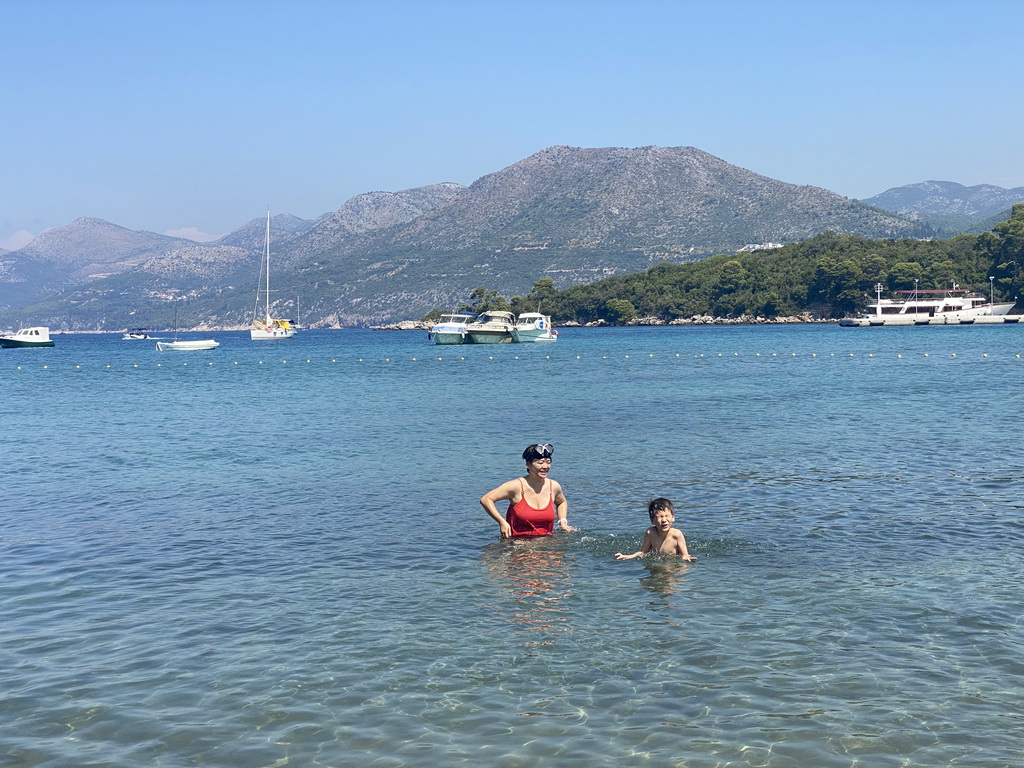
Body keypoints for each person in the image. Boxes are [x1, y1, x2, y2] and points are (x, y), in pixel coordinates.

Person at [480, 443, 572, 538]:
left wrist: (563, 522)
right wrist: (502, 522)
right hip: (518, 544)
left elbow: (562, 502)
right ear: (528, 465)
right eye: (540, 463)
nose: (545, 466)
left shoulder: (553, 486)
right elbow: (486, 499)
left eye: (548, 462)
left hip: (547, 543)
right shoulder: (516, 486)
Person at [615, 497, 696, 561]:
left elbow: (684, 554)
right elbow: (643, 553)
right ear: (652, 520)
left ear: (673, 518)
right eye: (660, 517)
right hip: (656, 564)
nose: (664, 520)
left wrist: (685, 558)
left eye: (667, 516)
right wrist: (628, 556)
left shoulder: (677, 534)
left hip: (672, 565)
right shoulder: (650, 533)